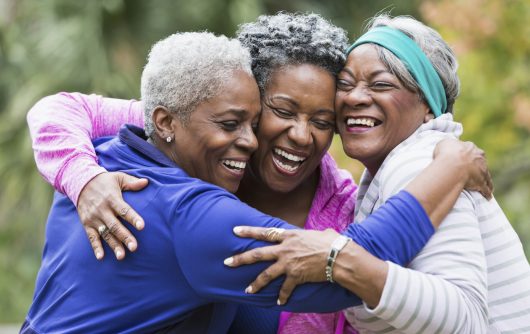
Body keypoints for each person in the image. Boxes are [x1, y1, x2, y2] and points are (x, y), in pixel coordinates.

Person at [25, 14, 493, 334]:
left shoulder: (115, 152)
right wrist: (449, 170)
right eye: (276, 112)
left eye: (323, 121)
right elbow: (355, 266)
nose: (248, 139)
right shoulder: (186, 209)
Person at [228, 14, 530, 333]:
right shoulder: (391, 178)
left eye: (381, 84)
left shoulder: (424, 162)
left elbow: (465, 317)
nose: (355, 97)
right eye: (345, 85)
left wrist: (337, 260)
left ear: (428, 106)